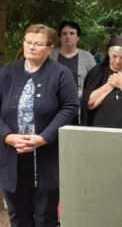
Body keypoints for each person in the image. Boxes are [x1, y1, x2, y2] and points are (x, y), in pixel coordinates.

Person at [0, 24, 79, 226]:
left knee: (46, 217)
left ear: (50, 48)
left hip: (46, 156)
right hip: (12, 154)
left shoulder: (60, 73)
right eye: (28, 42)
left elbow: (70, 107)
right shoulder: (8, 71)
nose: (31, 47)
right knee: (18, 215)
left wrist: (44, 138)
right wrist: (7, 136)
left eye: (38, 44)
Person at [49, 21, 96, 100]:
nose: (68, 37)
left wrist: (82, 95)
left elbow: (95, 80)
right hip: (54, 103)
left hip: (79, 105)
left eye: (72, 33)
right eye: (64, 34)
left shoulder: (87, 57)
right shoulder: (50, 55)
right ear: (60, 37)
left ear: (78, 37)